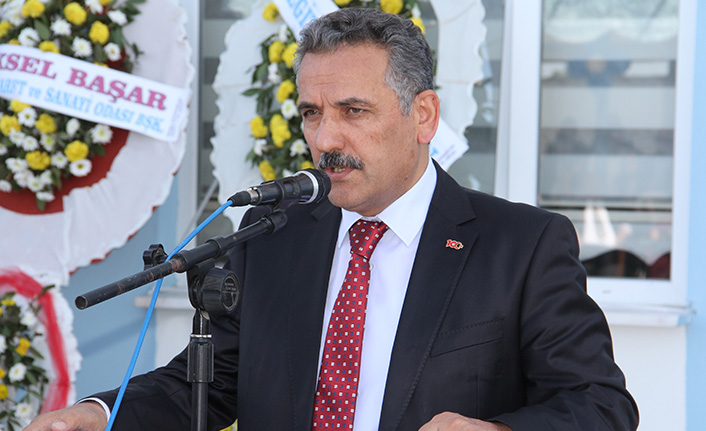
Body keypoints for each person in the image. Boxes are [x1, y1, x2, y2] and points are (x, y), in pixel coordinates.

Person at [25, 8, 639, 431]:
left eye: (353, 111)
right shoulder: (274, 233)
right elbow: (207, 384)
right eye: (311, 113)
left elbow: (600, 405)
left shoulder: (522, 245)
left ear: (423, 116)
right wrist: (98, 415)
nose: (325, 138)